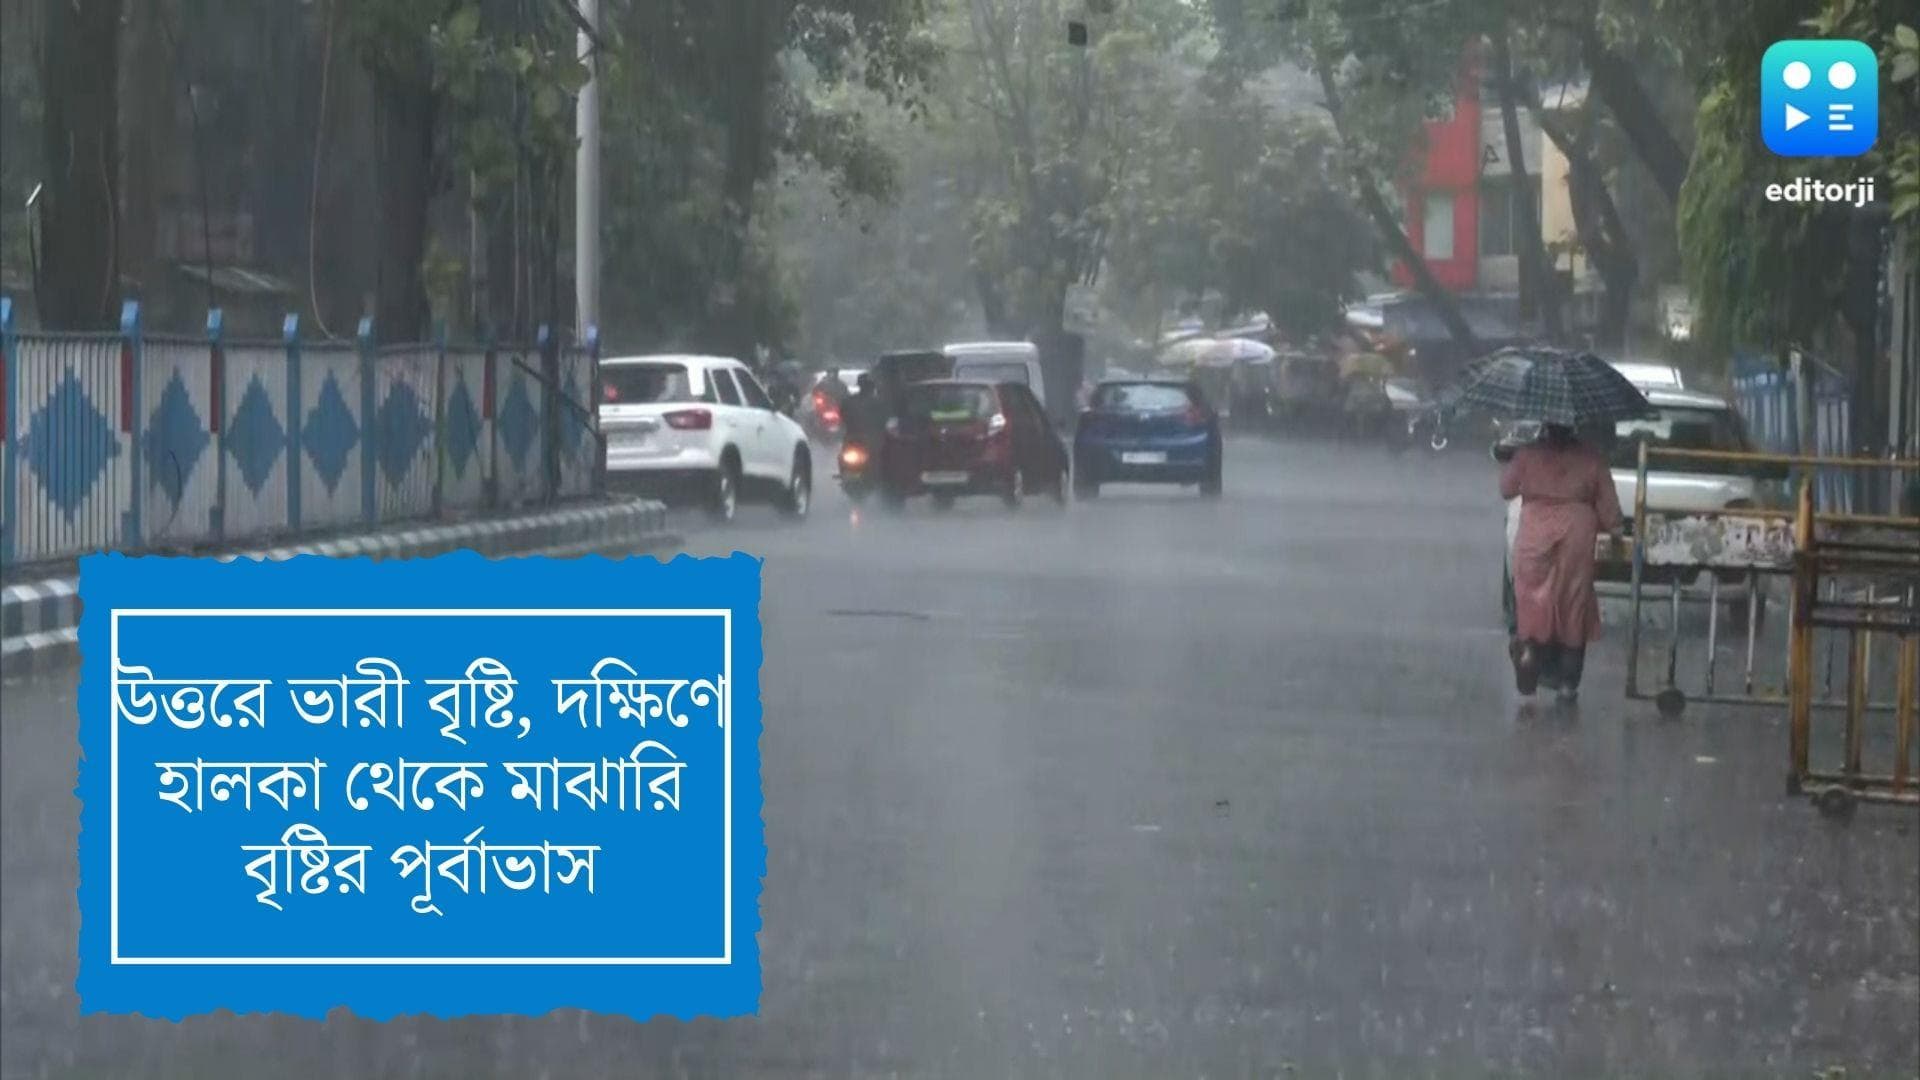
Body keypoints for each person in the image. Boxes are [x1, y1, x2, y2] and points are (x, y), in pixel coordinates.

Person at [1499, 422, 1624, 701]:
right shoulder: (1591, 458)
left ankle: (1530, 650)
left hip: (1535, 531)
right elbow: (1609, 508)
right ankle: (1568, 683)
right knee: (1572, 603)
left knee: (1531, 599)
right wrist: (1616, 531)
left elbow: (1506, 489)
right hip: (1577, 536)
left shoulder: (1527, 454)